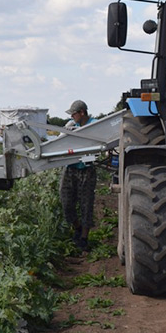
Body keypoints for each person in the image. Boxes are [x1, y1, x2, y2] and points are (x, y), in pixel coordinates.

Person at [60, 100, 97, 251]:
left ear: (82, 113)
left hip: (86, 169)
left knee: (86, 204)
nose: (72, 117)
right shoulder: (71, 126)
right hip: (70, 168)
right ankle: (78, 227)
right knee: (66, 202)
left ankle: (84, 238)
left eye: (73, 114)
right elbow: (60, 141)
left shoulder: (95, 125)